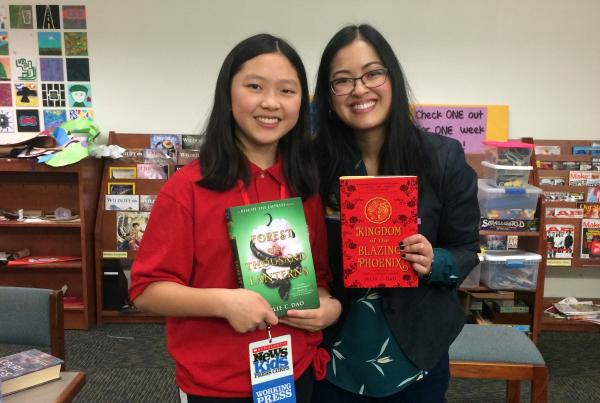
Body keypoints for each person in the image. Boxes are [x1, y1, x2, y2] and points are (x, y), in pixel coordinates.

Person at [129, 34, 341, 402]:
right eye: (255, 86)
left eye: (287, 91)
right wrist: (225, 303)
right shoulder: (187, 189)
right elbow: (146, 291)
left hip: (294, 370)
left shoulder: (304, 187)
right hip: (217, 383)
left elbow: (318, 278)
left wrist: (329, 307)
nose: (271, 102)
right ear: (228, 95)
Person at [309, 24, 480, 402]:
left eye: (373, 73)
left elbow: (468, 247)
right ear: (328, 95)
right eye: (343, 80)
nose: (360, 89)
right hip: (331, 353)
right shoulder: (310, 166)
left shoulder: (442, 158)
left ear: (392, 78)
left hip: (416, 352)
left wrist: (435, 260)